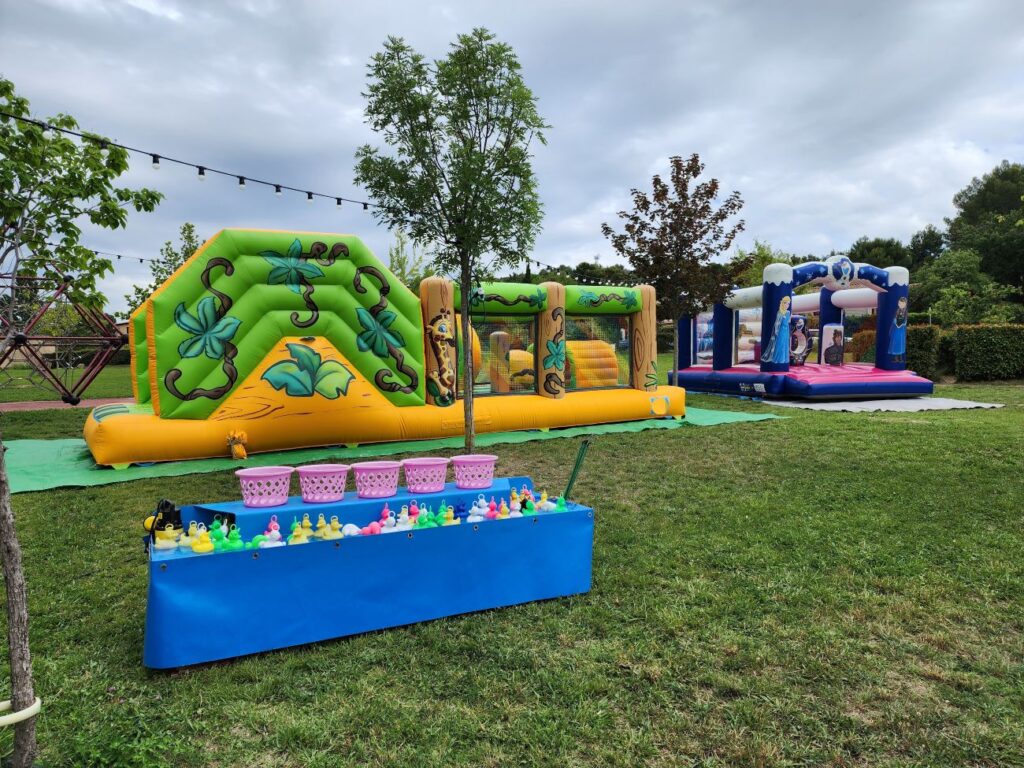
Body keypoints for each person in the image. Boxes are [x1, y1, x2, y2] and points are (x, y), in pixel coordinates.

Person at [760, 296, 791, 365]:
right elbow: (777, 323)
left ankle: (783, 359)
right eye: (787, 303)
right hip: (780, 330)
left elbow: (786, 323)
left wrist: (784, 318)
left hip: (785, 330)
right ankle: (777, 359)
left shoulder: (788, 312)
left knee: (784, 344)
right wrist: (783, 319)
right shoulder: (779, 312)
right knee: (779, 344)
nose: (788, 305)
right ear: (783, 304)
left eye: (789, 304)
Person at [888, 296, 908, 362]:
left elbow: (905, 320)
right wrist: (896, 323)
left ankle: (900, 358)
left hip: (901, 329)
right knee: (895, 342)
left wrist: (902, 324)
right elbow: (895, 318)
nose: (900, 305)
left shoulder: (905, 311)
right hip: (896, 329)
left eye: (902, 303)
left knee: (900, 342)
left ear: (905, 304)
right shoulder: (897, 311)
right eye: (899, 303)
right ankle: (896, 358)